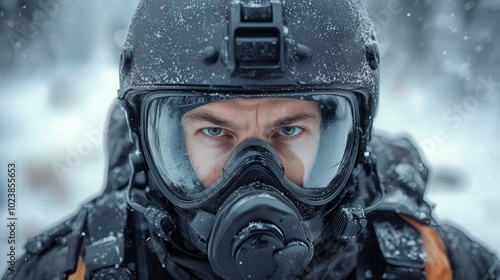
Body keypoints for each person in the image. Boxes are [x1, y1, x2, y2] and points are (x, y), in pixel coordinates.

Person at [4, 0, 500, 279]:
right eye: (215, 131)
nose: (256, 175)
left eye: (289, 130)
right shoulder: (75, 269)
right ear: (153, 147)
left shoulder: (433, 265)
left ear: (350, 142)